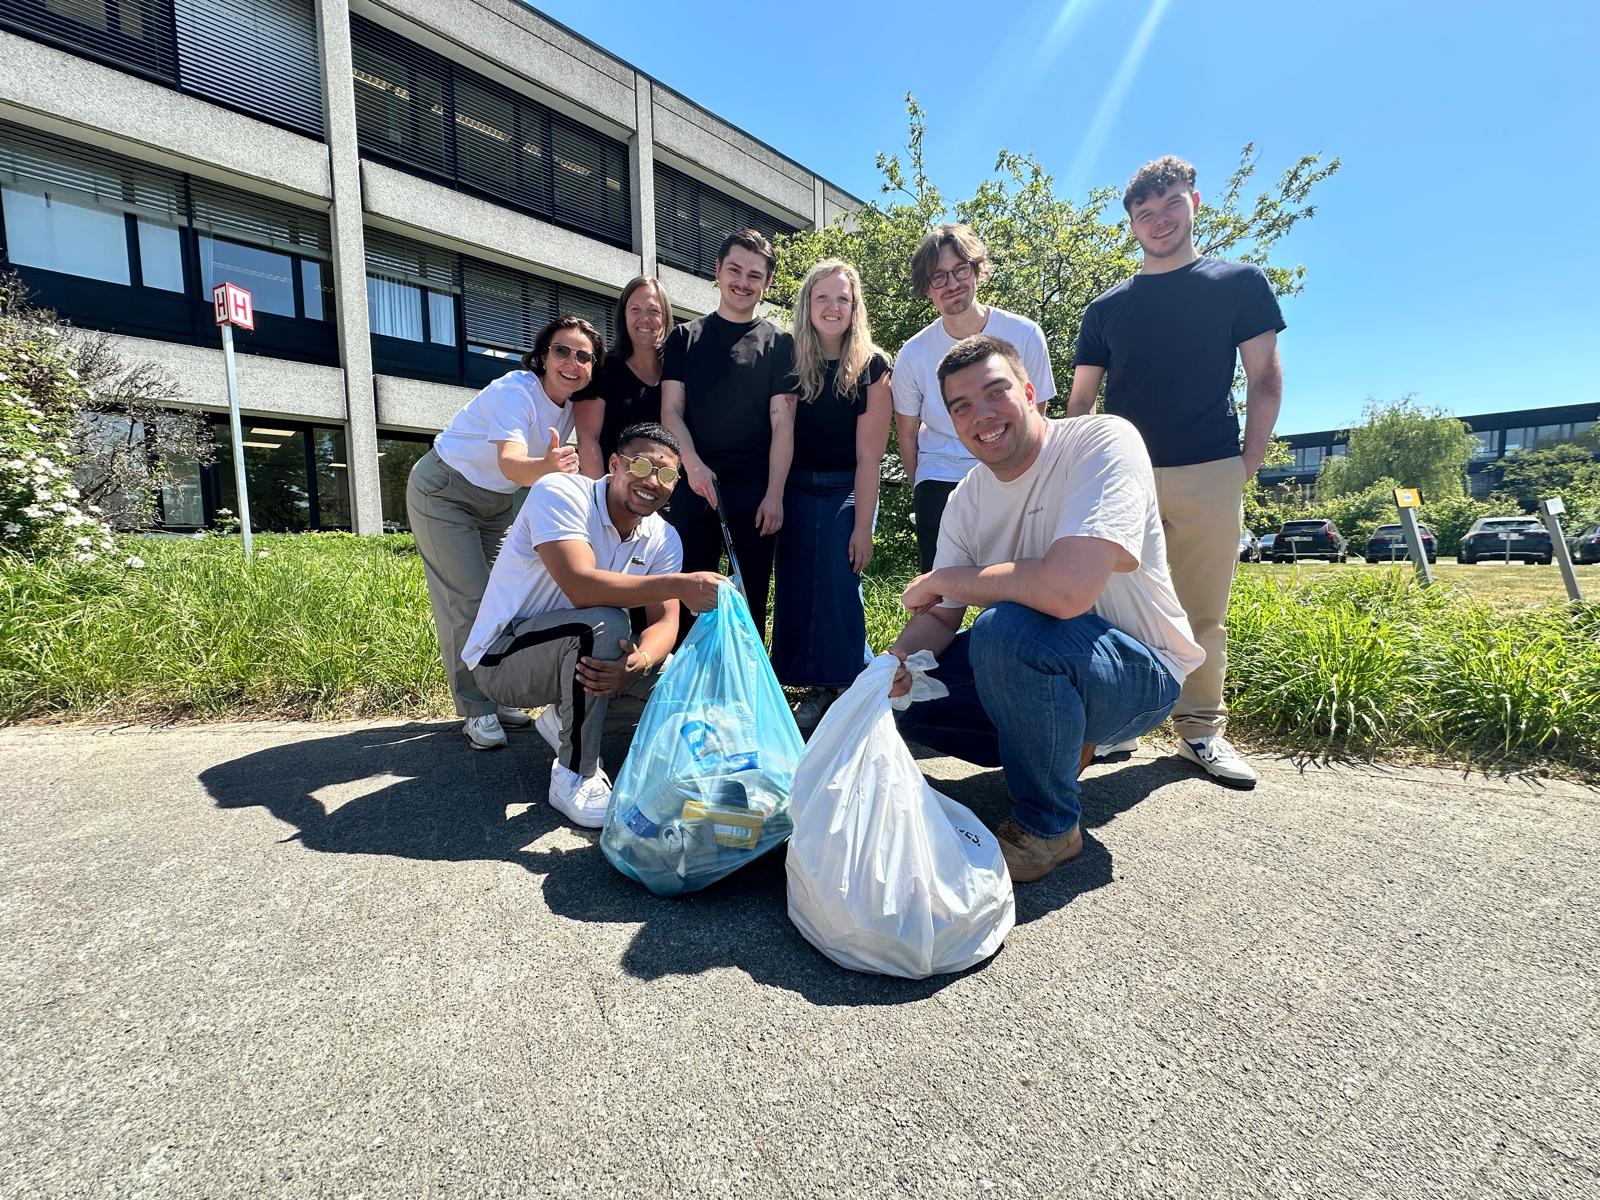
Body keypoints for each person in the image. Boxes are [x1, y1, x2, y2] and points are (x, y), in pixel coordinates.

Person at [889, 335, 1204, 884]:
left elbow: (1067, 591)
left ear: (1031, 392)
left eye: (996, 392)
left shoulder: (1101, 442)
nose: (981, 415)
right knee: (910, 699)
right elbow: (940, 616)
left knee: (1007, 632)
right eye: (961, 406)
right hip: (1050, 659)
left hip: (1139, 673)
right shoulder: (966, 499)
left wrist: (944, 579)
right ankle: (1055, 749)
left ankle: (1049, 825)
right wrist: (891, 668)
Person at [1066, 155, 1285, 789]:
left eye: (1170, 206)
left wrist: (1248, 461)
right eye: (1144, 213)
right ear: (1131, 224)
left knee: (1202, 610)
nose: (1158, 221)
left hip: (1210, 468)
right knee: (1116, 607)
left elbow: (1265, 377)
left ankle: (1200, 730)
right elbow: (1081, 403)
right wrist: (1081, 473)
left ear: (1194, 203)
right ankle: (1120, 721)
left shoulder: (1237, 283)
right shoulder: (1106, 308)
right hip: (1121, 477)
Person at [459, 422, 725, 825]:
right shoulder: (560, 493)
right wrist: (680, 583)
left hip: (572, 655)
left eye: (668, 475)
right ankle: (574, 775)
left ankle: (562, 721)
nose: (652, 482)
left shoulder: (663, 536)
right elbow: (581, 587)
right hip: (503, 660)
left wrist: (641, 662)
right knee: (603, 624)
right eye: (641, 466)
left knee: (679, 678)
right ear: (614, 464)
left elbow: (666, 622)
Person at [408, 315, 602, 751]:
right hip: (444, 491)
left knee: (505, 601)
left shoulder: (571, 406)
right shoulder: (516, 390)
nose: (572, 363)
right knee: (469, 599)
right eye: (562, 351)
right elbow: (511, 463)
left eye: (583, 356)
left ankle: (493, 692)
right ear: (543, 355)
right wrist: (549, 467)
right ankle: (475, 707)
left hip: (496, 504)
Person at [769, 259, 892, 728]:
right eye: (823, 297)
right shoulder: (789, 357)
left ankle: (849, 685)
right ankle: (817, 684)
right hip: (797, 485)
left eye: (843, 298)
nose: (833, 306)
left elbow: (869, 456)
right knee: (798, 584)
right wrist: (774, 496)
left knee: (841, 580)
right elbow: (783, 434)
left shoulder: (873, 366)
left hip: (847, 487)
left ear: (855, 306)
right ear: (807, 304)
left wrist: (863, 526)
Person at [892, 224, 1057, 572]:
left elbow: (1035, 416)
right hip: (940, 475)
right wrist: (920, 485)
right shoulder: (913, 353)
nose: (951, 284)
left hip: (1013, 470)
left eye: (960, 270)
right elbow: (906, 433)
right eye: (938, 276)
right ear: (927, 287)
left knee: (1019, 582)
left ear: (977, 270)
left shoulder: (1025, 334)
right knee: (939, 586)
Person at [660, 229, 797, 638]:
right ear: (717, 270)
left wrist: (775, 494)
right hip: (694, 486)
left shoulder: (781, 344)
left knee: (750, 602)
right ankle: (687, 673)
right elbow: (670, 411)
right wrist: (693, 465)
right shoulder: (684, 337)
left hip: (756, 494)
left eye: (755, 275)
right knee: (689, 599)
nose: (743, 282)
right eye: (735, 270)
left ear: (767, 284)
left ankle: (745, 675)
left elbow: (783, 423)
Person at [576, 276, 674, 479]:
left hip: (666, 489)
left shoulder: (676, 372)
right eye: (635, 309)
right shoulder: (603, 368)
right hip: (615, 492)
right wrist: (600, 493)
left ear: (665, 316)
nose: (644, 319)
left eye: (653, 310)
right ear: (624, 316)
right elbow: (587, 439)